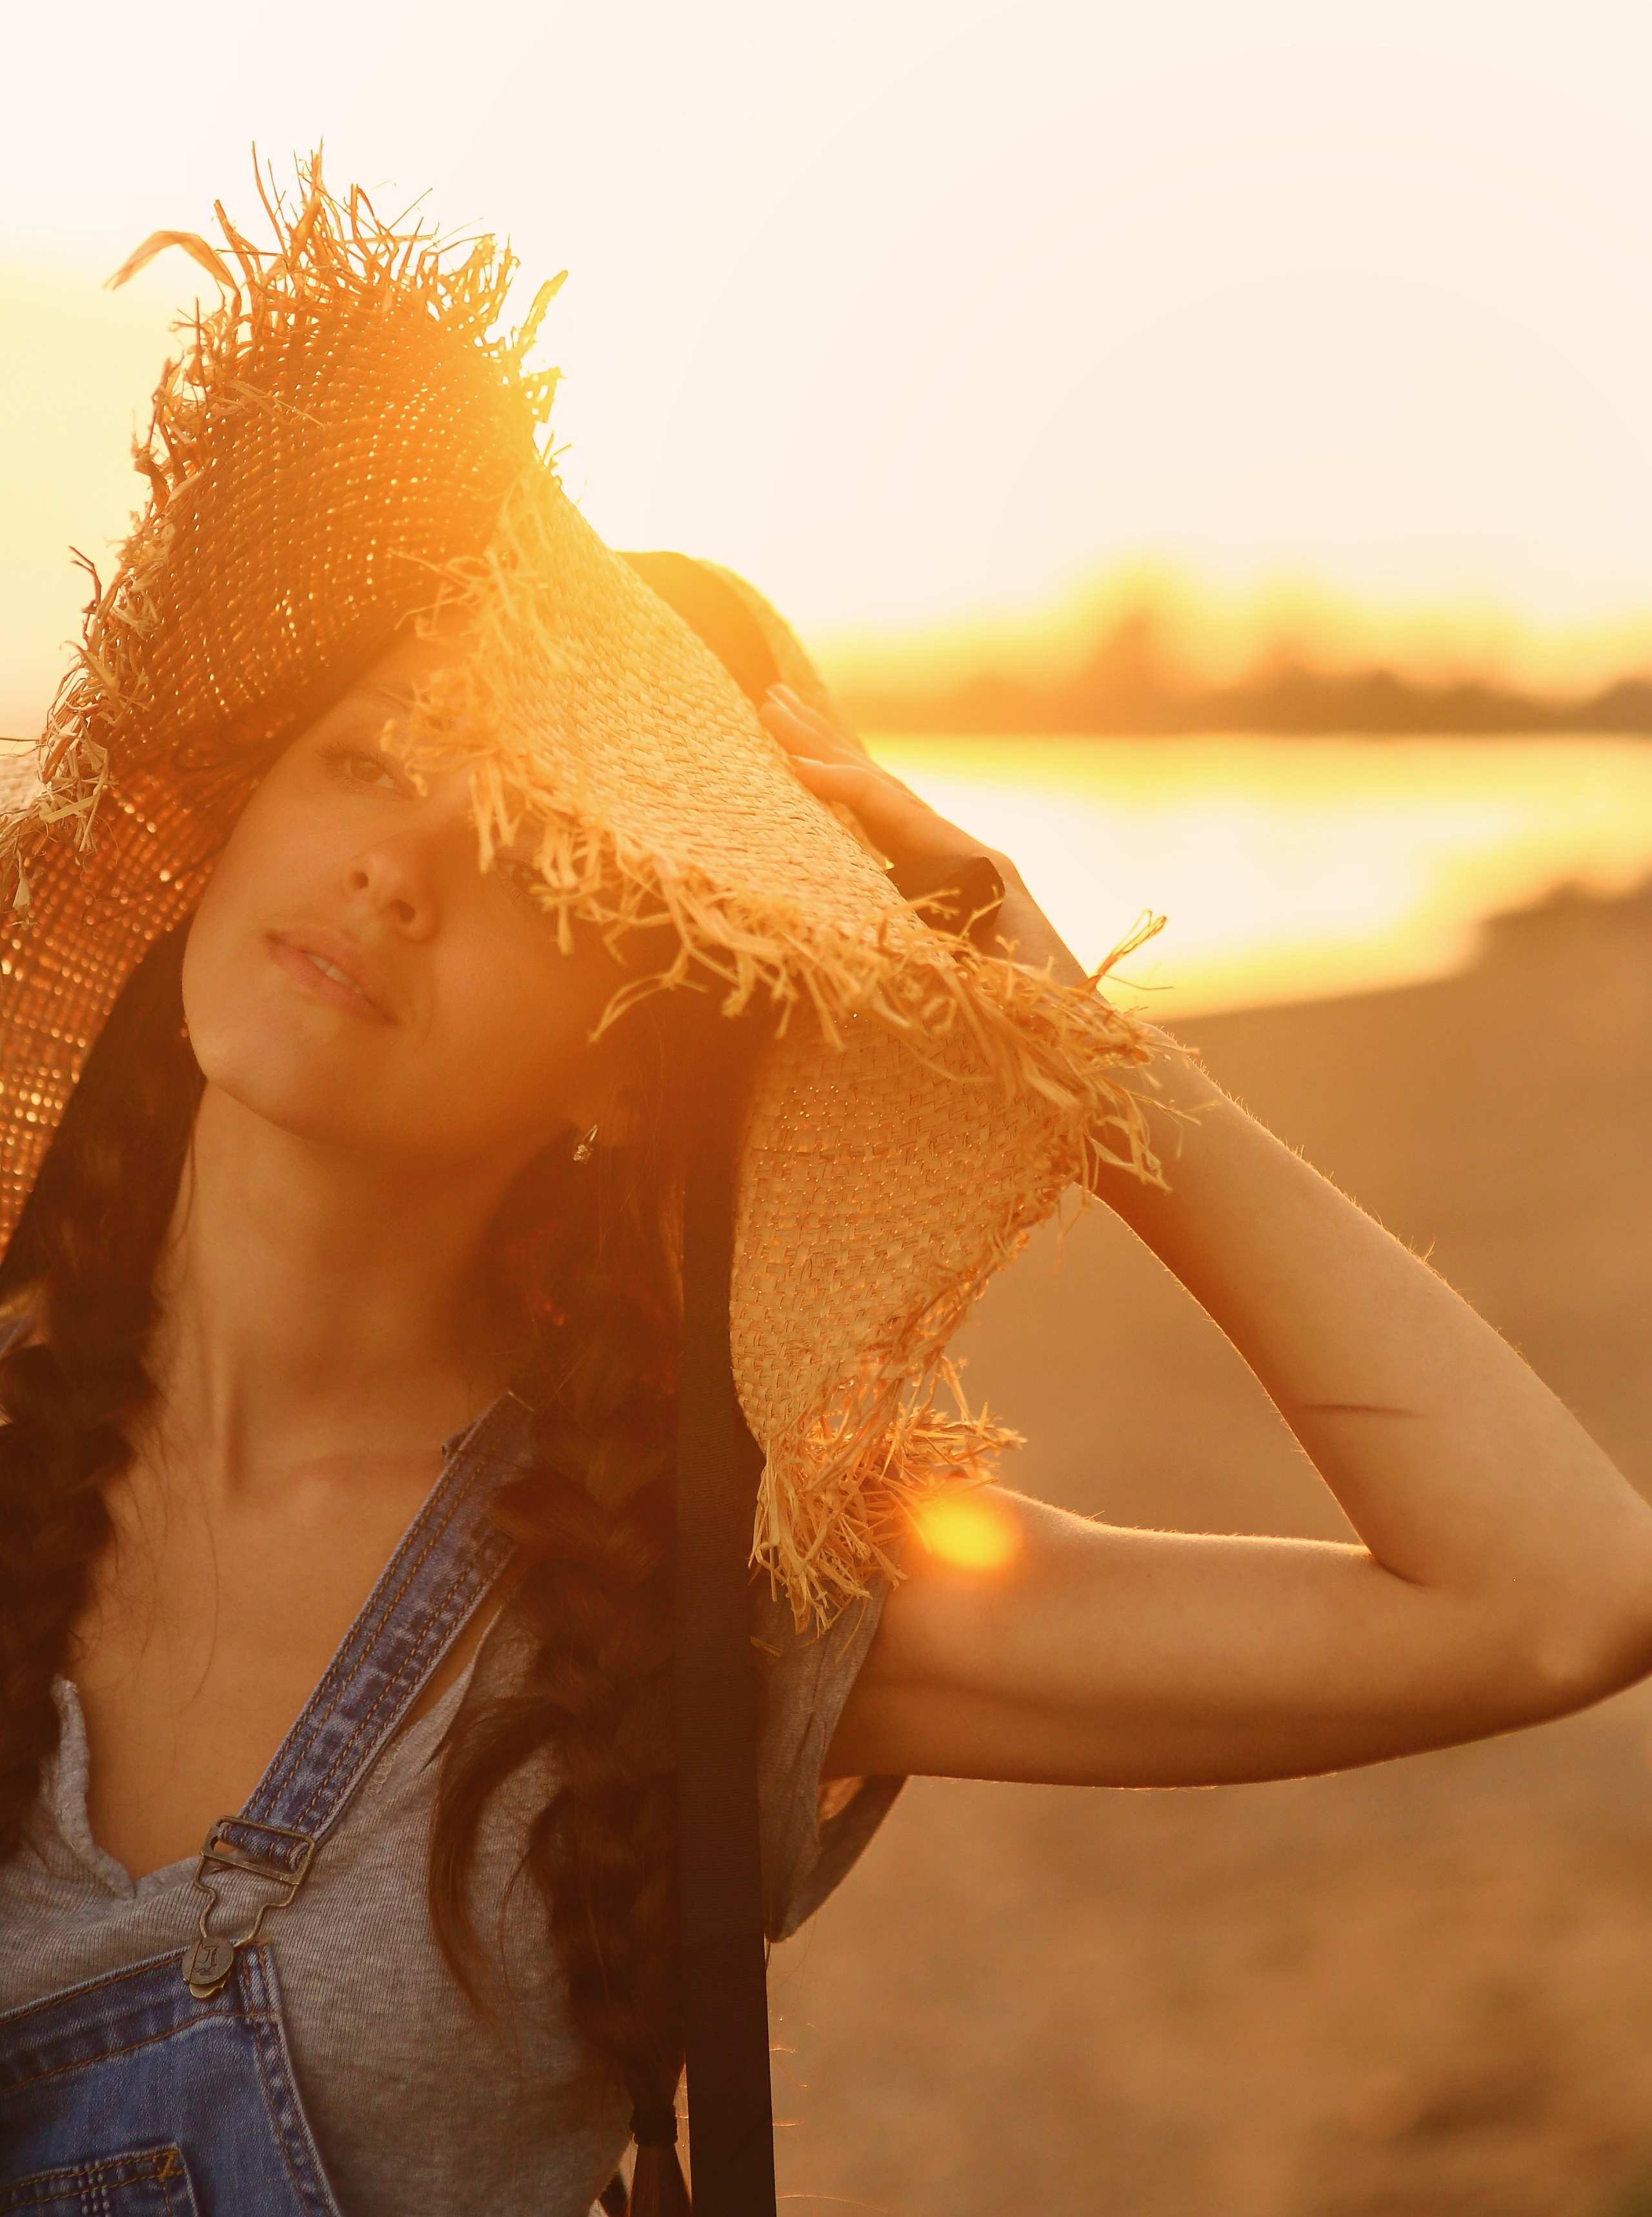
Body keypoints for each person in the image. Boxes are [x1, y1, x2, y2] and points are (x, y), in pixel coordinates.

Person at [3, 166, 1651, 2217]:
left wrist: (1087, 1053)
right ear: (232, 825)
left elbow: (1556, 1597)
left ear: (628, 1053)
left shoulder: (692, 1604)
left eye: (535, 860)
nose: (393, 867)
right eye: (365, 759)